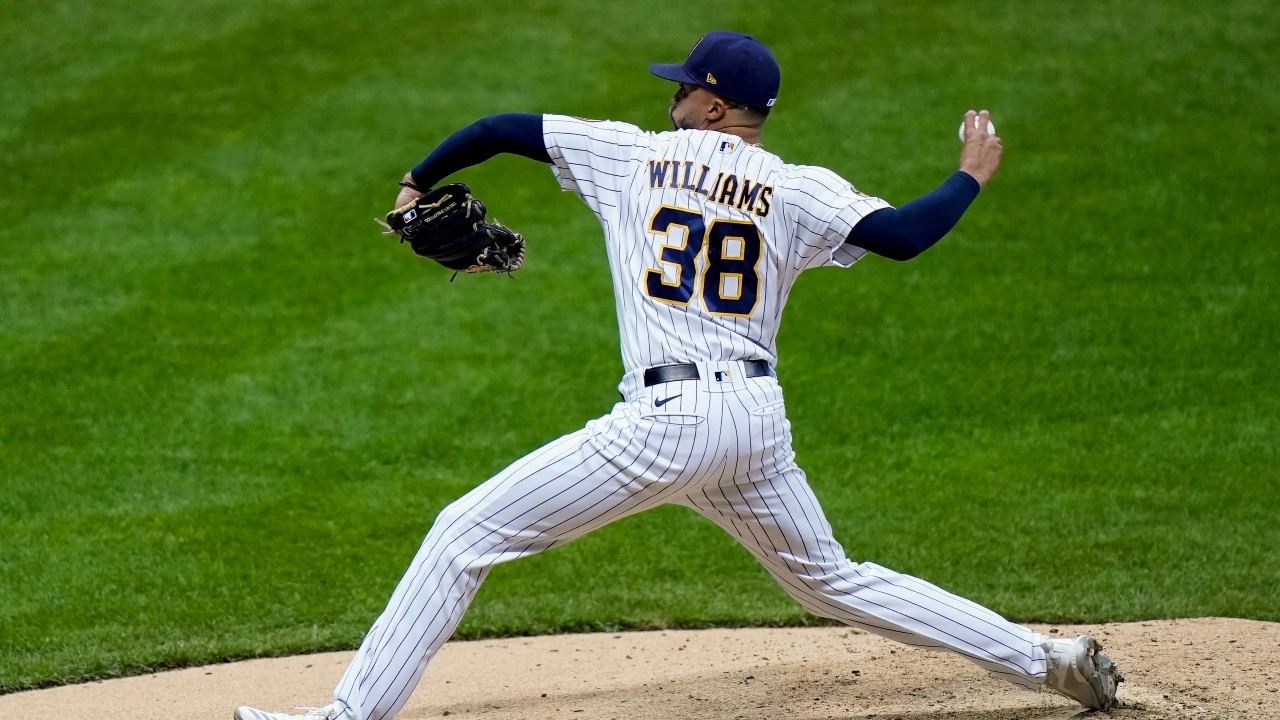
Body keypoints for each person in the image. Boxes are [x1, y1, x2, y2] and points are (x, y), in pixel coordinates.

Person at [235, 30, 1119, 720]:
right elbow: (901, 236)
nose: (673, 97)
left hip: (668, 421)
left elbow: (499, 131)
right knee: (832, 579)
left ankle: (347, 713)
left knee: (464, 533)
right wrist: (968, 176)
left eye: (685, 87)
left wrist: (414, 182)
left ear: (719, 103)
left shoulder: (630, 155)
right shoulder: (795, 186)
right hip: (754, 423)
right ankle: (1051, 660)